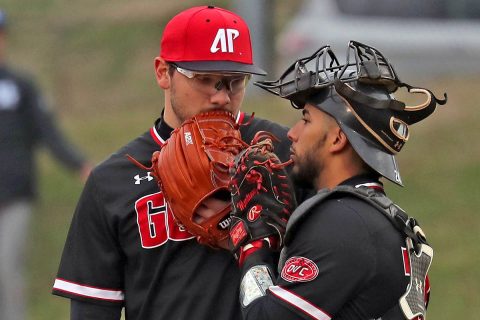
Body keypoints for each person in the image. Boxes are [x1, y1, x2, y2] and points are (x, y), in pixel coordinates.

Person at [52, 5, 311, 320]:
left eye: (234, 81)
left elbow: (335, 274)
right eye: (205, 79)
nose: (221, 97)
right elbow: (91, 312)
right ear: (163, 72)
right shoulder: (113, 181)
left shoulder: (285, 154)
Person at [231, 41, 447, 319]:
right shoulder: (388, 221)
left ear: (337, 138)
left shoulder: (341, 223)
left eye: (306, 119)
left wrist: (255, 247)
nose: (292, 134)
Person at [0, 9, 91, 320]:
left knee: (7, 266)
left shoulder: (21, 88)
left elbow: (47, 133)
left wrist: (80, 165)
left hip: (14, 195)